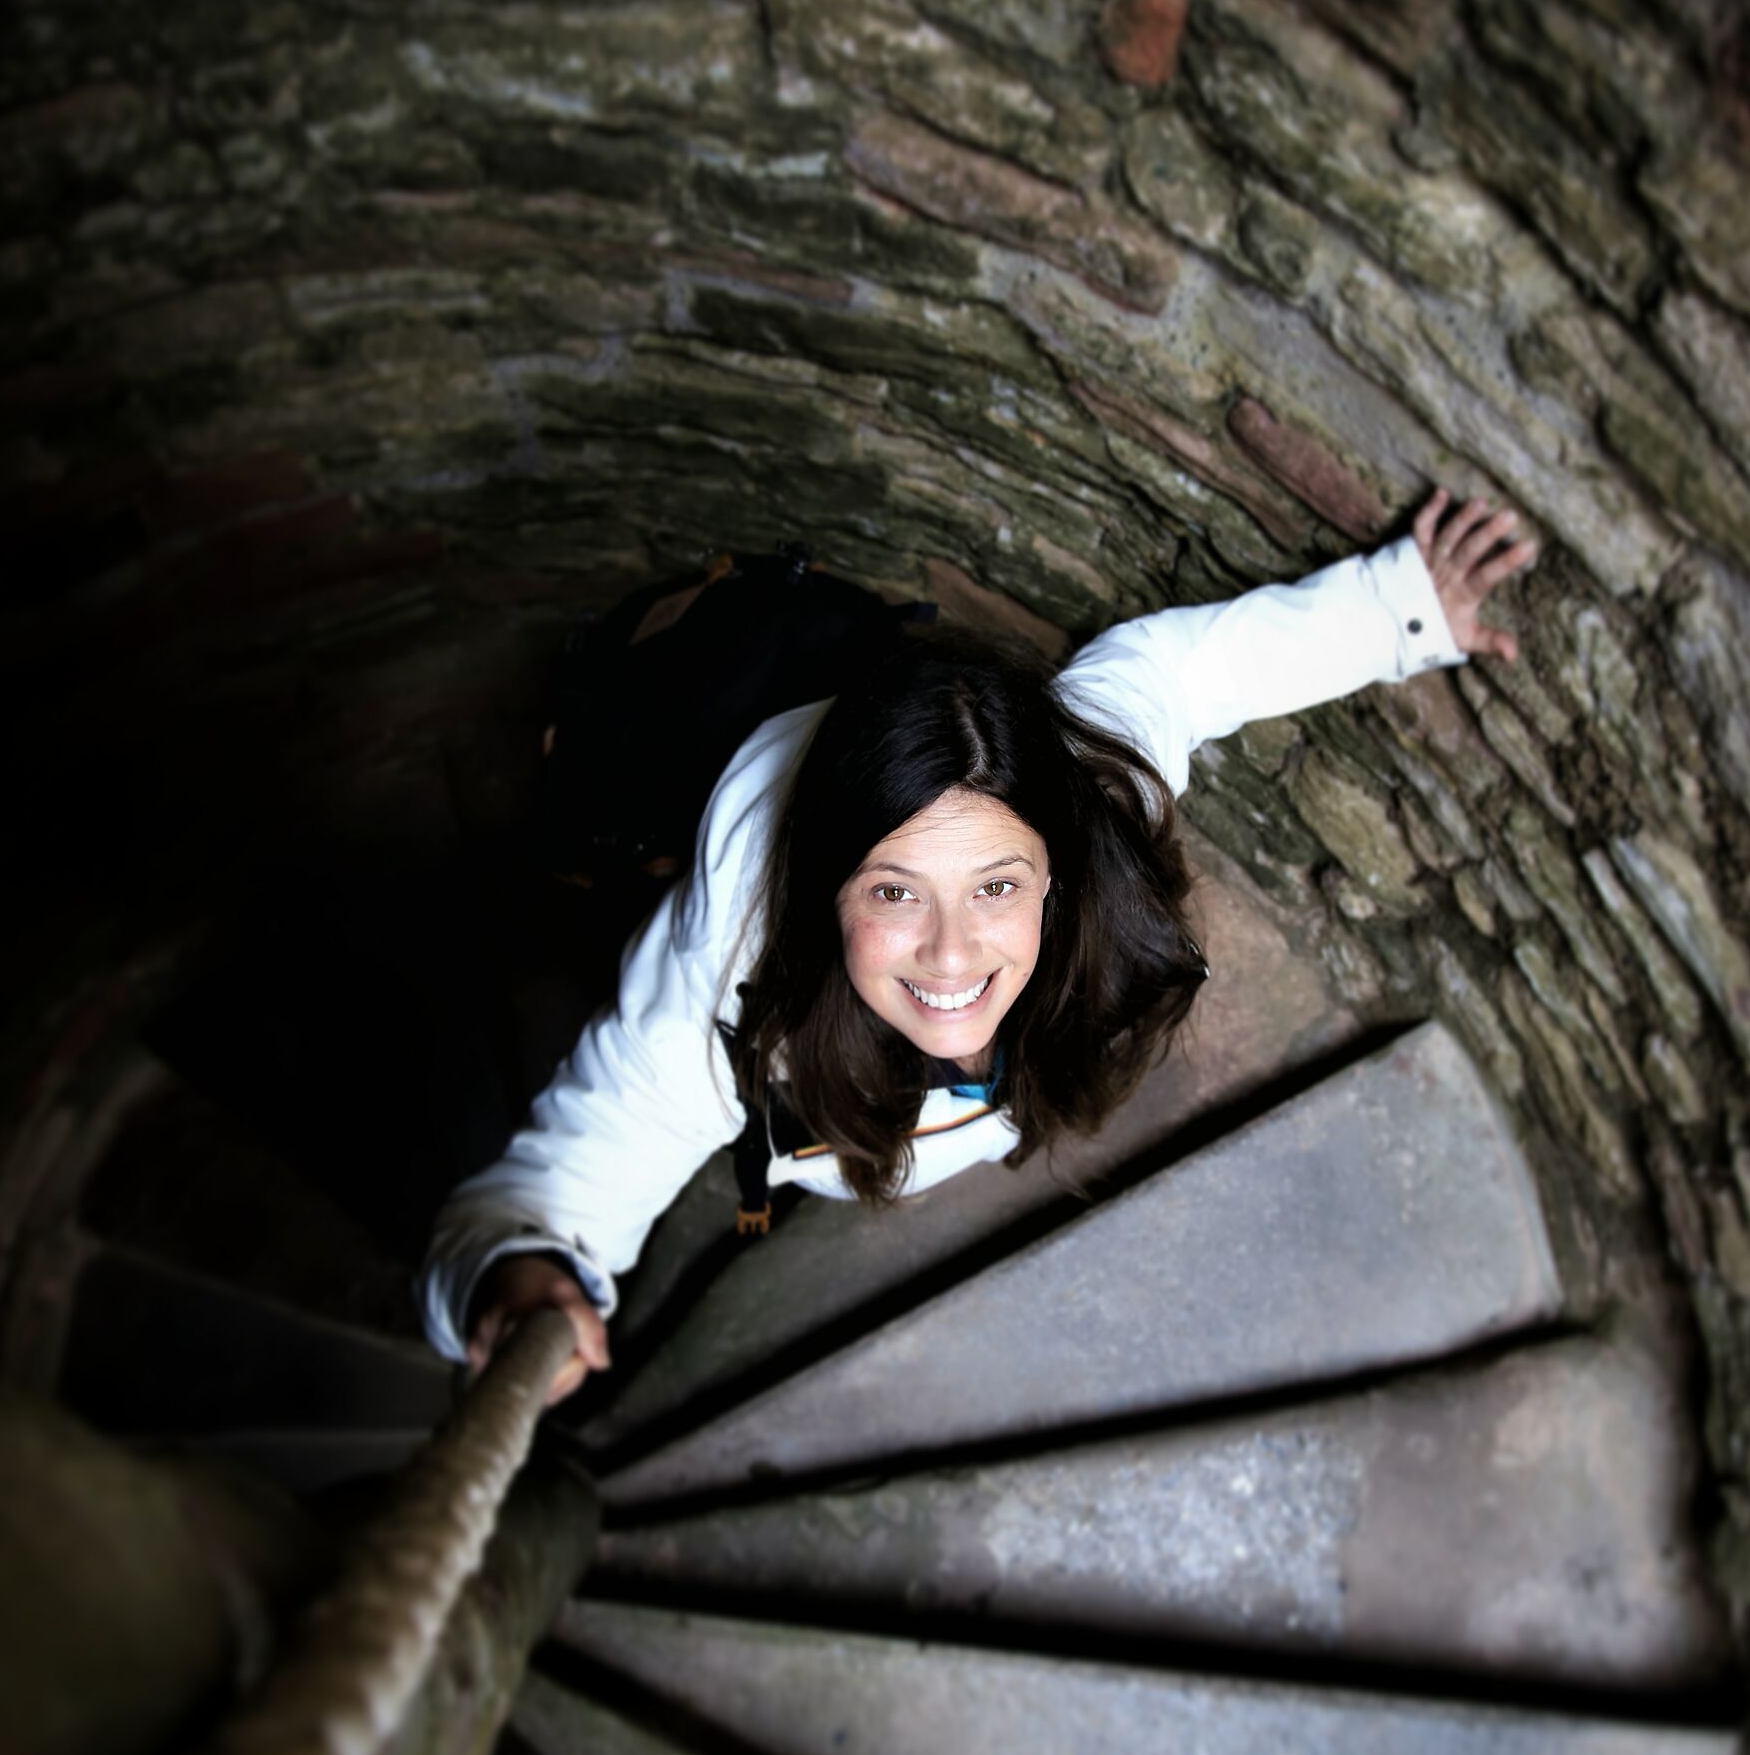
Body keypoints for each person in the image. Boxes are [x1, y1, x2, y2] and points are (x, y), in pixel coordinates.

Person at [419, 488, 1535, 1405]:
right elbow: (547, 1195)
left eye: (996, 886)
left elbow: (1186, 671)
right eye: (894, 891)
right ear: (821, 898)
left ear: (1055, 867)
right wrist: (518, 1280)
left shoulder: (1098, 801)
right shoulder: (723, 999)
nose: (951, 961)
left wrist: (1400, 606)